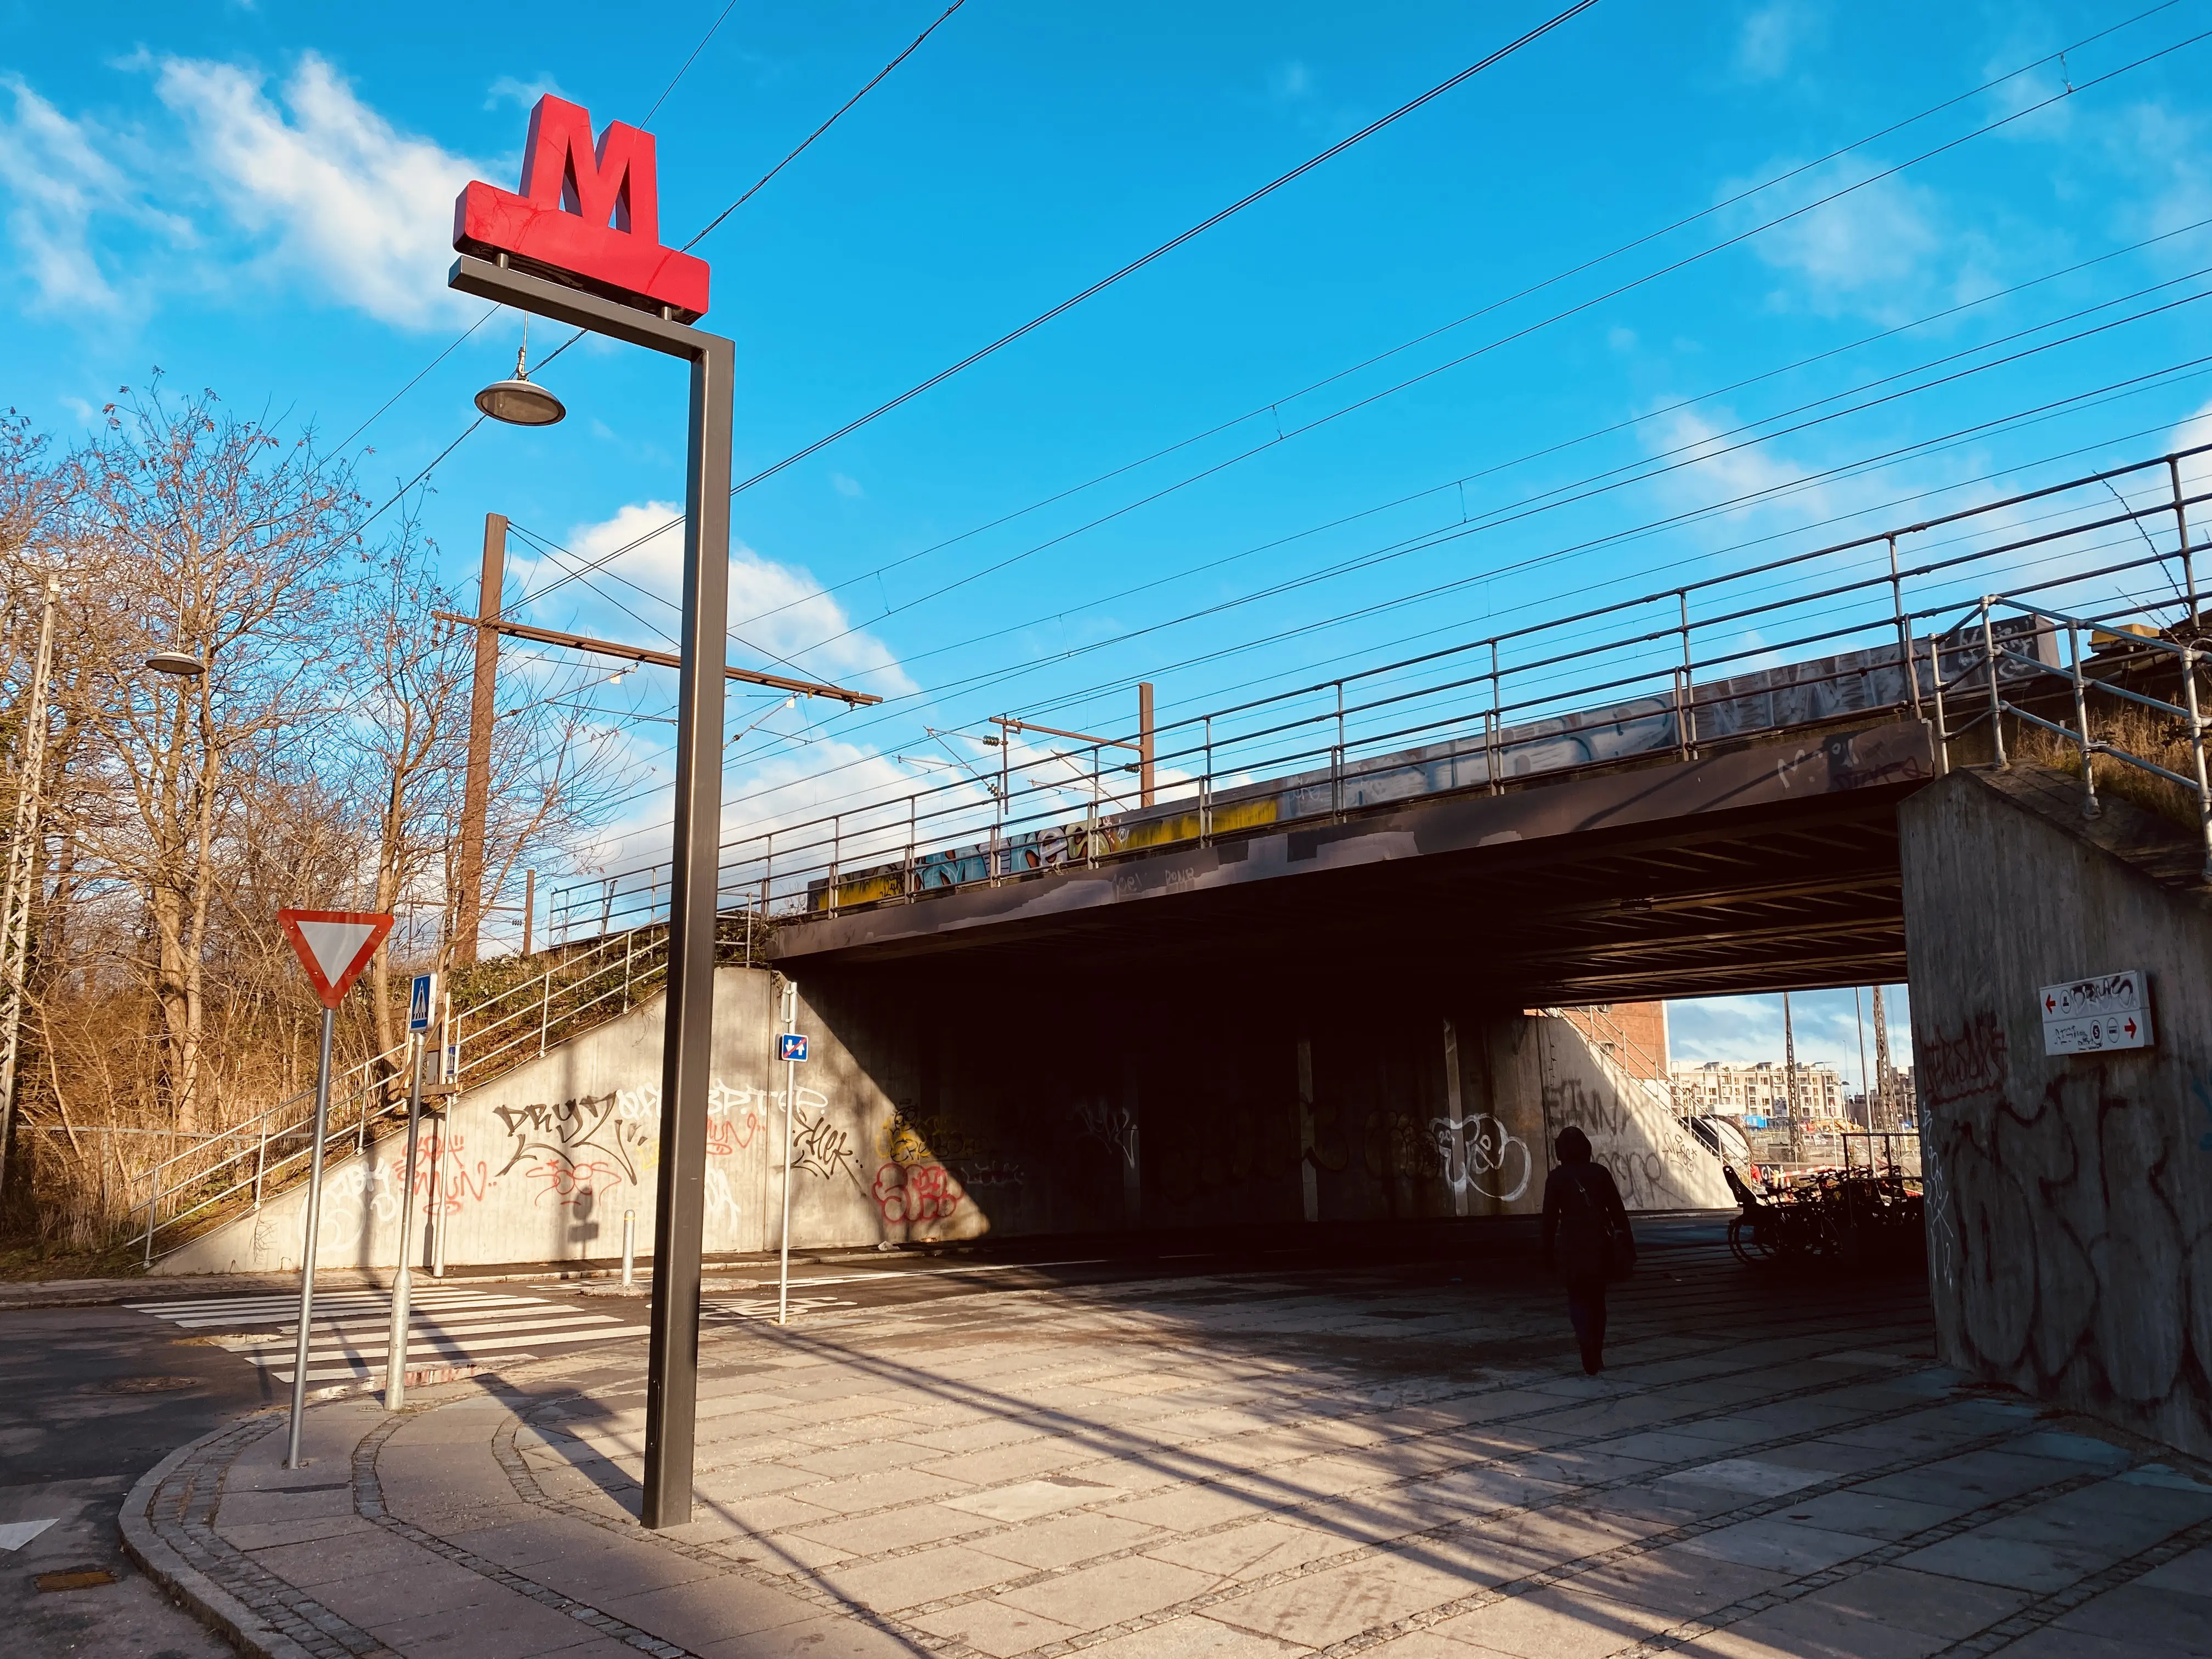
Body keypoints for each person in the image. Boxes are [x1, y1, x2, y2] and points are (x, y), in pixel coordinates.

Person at [1541, 1126, 1634, 1374]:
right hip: (1599, 1245)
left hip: (1572, 1245)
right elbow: (1617, 1213)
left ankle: (1585, 1342)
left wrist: (1547, 1252)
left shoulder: (1557, 1178)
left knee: (1577, 1297)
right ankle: (1597, 1349)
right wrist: (1628, 1245)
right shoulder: (1600, 1174)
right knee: (1597, 1299)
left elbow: (1549, 1219)